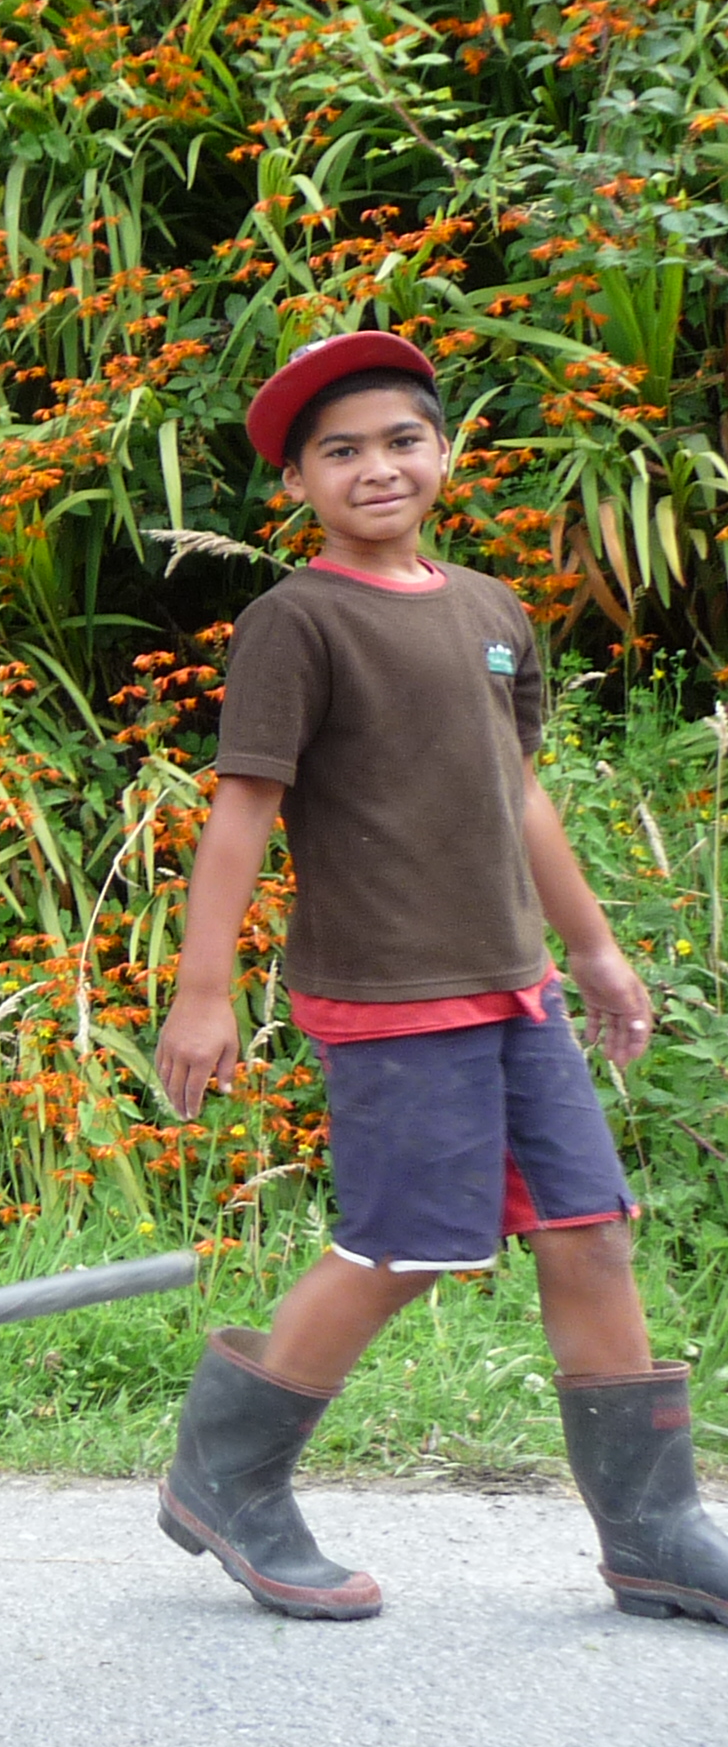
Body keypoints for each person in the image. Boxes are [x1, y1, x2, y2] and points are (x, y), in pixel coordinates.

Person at [151, 329, 728, 1626]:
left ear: (446, 453)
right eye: (340, 451)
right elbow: (242, 811)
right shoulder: (297, 622)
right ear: (296, 483)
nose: (377, 468)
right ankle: (226, 1478)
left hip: (516, 984)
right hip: (391, 993)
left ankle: (654, 1533)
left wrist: (593, 949)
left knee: (590, 1231)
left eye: (401, 440)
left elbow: (517, 794)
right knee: (406, 1246)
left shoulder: (488, 611)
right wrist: (204, 989)